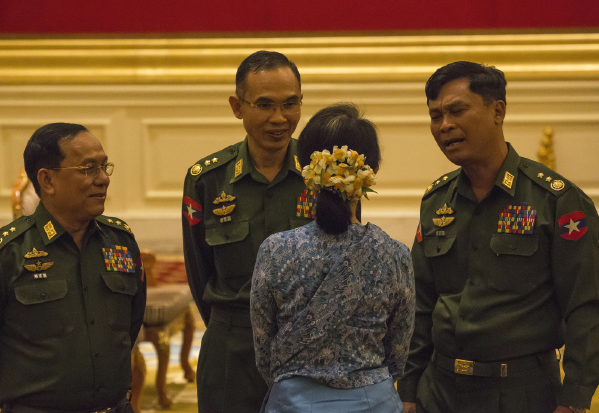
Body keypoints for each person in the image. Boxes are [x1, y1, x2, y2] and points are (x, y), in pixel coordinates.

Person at [397, 61, 599, 413]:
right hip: (439, 391)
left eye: (457, 111)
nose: (445, 125)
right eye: (435, 116)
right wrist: (409, 390)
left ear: (498, 111)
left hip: (523, 393)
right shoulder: (436, 201)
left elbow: (587, 306)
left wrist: (574, 401)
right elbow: (421, 304)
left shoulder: (556, 200)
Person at [251, 103, 415, 413]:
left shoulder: (276, 250)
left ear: (305, 169)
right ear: (372, 172)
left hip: (293, 403)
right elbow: (398, 353)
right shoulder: (394, 254)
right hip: (374, 402)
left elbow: (264, 352)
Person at [0, 123, 146, 412]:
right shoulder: (4, 254)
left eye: (105, 166)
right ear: (47, 180)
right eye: (88, 168)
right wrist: (15, 395)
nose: (103, 178)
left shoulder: (121, 242)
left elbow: (130, 325)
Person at [181, 50, 314, 413]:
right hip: (232, 350)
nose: (279, 118)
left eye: (291, 104)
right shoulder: (206, 180)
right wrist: (232, 326)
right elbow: (198, 270)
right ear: (237, 106)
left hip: (311, 346)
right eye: (265, 105)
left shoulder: (325, 173)